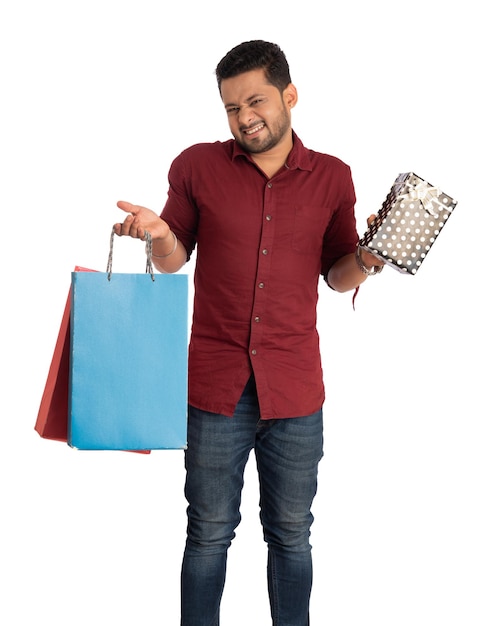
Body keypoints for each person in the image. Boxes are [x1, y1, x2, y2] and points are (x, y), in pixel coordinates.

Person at [114, 40, 384, 626]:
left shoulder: (333, 178)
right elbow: (172, 258)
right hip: (216, 389)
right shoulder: (196, 166)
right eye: (231, 107)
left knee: (292, 534)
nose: (244, 118)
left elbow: (338, 276)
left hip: (294, 389)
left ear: (290, 96)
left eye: (255, 101)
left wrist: (370, 257)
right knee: (208, 533)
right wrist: (160, 232)